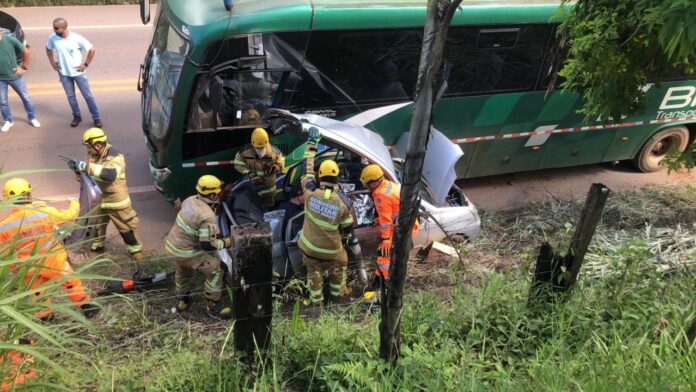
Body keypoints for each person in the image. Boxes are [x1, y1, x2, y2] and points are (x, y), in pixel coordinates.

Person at [0, 178, 99, 320]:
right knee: (70, 282)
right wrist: (74, 202)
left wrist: (14, 266)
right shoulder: (44, 212)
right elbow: (70, 215)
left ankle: (46, 319)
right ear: (29, 195)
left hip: (29, 268)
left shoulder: (4, 225)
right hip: (54, 262)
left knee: (37, 293)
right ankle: (86, 307)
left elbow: (4, 253)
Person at [66, 127, 143, 261]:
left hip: (117, 201)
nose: (87, 150)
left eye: (88, 147)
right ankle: (97, 246)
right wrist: (77, 171)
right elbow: (85, 178)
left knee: (127, 228)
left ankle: (136, 253)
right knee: (96, 226)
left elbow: (110, 175)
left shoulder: (116, 156)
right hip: (99, 200)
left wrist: (87, 167)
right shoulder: (91, 155)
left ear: (97, 145)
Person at [298, 127, 355, 304]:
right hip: (331, 252)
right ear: (337, 176)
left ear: (318, 174)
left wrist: (312, 144)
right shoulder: (343, 202)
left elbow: (305, 166)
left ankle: (317, 305)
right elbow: (348, 228)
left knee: (313, 277)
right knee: (341, 264)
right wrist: (342, 241)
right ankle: (337, 298)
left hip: (309, 249)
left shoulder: (309, 192)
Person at [164, 175, 233, 319]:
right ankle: (213, 307)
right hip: (187, 252)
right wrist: (227, 242)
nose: (219, 195)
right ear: (213, 195)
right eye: (218, 193)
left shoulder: (190, 200)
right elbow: (208, 245)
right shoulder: (207, 215)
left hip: (173, 245)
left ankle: (183, 301)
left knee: (183, 273)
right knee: (218, 270)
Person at [359, 164, 419, 290]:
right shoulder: (388, 184)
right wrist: (378, 220)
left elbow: (386, 220)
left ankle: (382, 283)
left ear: (374, 182)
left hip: (401, 228)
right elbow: (391, 211)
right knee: (389, 255)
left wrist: (386, 239)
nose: (366, 186)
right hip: (404, 223)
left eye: (367, 183)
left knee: (384, 256)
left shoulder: (381, 195)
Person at [45, 17, 102, 128]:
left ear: (64, 28)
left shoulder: (76, 38)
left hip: (78, 73)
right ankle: (76, 116)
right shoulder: (53, 38)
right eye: (53, 28)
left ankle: (96, 118)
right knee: (70, 96)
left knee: (88, 96)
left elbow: (92, 49)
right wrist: (52, 63)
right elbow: (48, 49)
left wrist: (85, 64)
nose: (54, 30)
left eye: (56, 28)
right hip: (63, 73)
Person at [233, 127, 284, 209]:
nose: (260, 150)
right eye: (257, 148)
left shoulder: (275, 152)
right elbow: (238, 164)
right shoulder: (244, 152)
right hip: (253, 187)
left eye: (262, 147)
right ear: (252, 143)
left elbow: (281, 165)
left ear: (267, 142)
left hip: (269, 189)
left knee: (269, 207)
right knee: (253, 208)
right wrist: (250, 174)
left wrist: (274, 168)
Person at [0, 31, 40, 132]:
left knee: (26, 98)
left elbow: (26, 51)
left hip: (14, 76)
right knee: (3, 101)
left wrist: (24, 67)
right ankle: (8, 121)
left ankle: (32, 118)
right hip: (0, 79)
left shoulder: (9, 39)